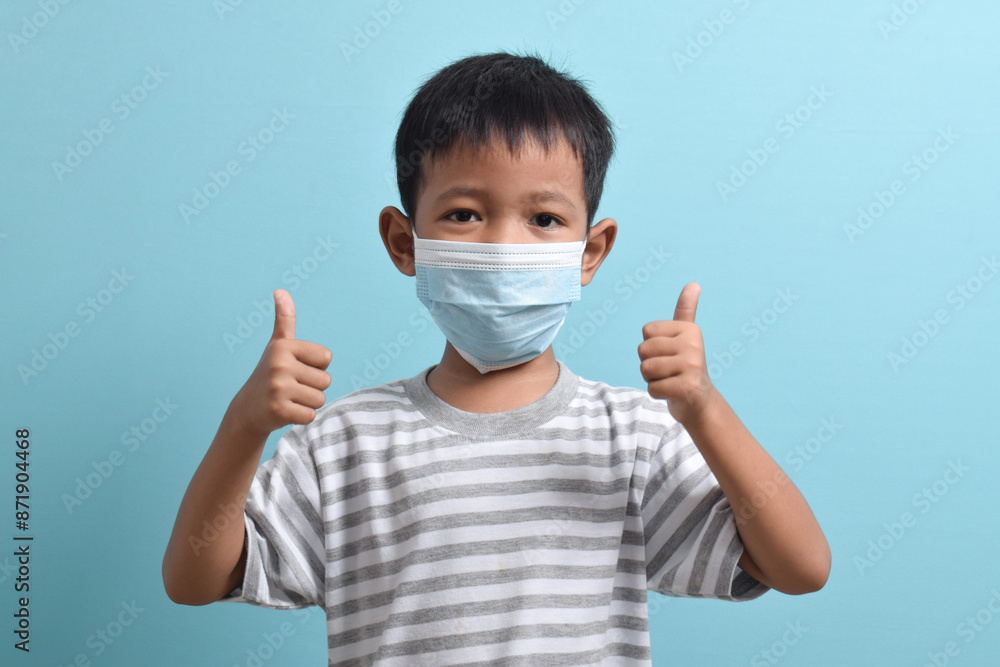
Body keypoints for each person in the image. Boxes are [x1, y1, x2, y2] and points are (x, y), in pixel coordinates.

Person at [162, 51, 830, 665]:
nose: (506, 247)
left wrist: (705, 411)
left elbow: (800, 566)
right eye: (463, 214)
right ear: (404, 241)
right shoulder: (342, 443)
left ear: (590, 251)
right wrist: (244, 424)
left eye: (543, 219)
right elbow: (196, 579)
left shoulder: (631, 438)